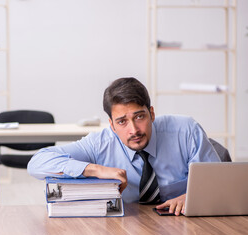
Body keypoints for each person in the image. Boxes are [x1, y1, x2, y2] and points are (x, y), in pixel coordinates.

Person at [27, 77, 220, 216]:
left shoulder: (185, 131)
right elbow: (37, 163)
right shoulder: (99, 144)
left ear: (151, 113)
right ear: (111, 124)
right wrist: (95, 170)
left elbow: (217, 182)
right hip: (128, 226)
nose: (133, 130)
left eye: (139, 117)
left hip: (188, 225)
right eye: (122, 122)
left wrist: (191, 196)